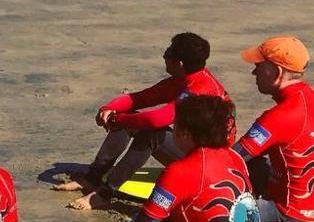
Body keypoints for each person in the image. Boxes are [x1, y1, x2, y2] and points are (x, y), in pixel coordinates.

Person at [39, 96, 269, 222]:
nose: (172, 129)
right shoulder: (236, 159)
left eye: (175, 126)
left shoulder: (181, 171)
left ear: (186, 134)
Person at [54, 32, 232, 210]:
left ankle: (104, 195)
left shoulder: (199, 90)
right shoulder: (184, 79)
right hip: (193, 149)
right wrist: (109, 109)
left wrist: (119, 120)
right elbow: (138, 99)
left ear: (179, 63)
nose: (164, 56)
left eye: (168, 53)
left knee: (150, 134)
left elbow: (158, 119)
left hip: (210, 164)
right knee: (130, 118)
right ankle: (92, 179)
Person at [233, 36, 314, 222]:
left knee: (207, 203)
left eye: (259, 66)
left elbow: (230, 158)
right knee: (258, 161)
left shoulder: (280, 116)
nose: (254, 72)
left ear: (276, 72)